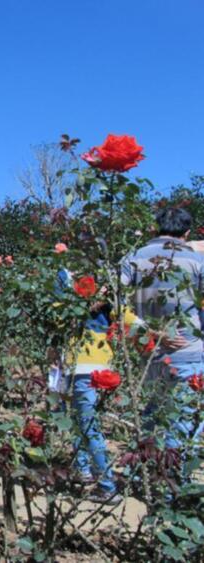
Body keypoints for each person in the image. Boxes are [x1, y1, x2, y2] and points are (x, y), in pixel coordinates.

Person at [121, 207, 204, 464]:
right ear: (187, 232)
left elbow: (110, 301)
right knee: (184, 419)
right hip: (187, 351)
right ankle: (173, 487)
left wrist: (149, 332)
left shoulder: (134, 258)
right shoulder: (196, 261)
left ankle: (144, 473)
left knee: (154, 414)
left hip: (150, 354)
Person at [56, 269, 138, 504]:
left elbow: (58, 321)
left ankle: (107, 486)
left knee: (87, 425)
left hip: (81, 369)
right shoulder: (106, 299)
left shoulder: (74, 302)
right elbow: (132, 320)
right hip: (91, 369)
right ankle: (82, 470)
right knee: (81, 422)